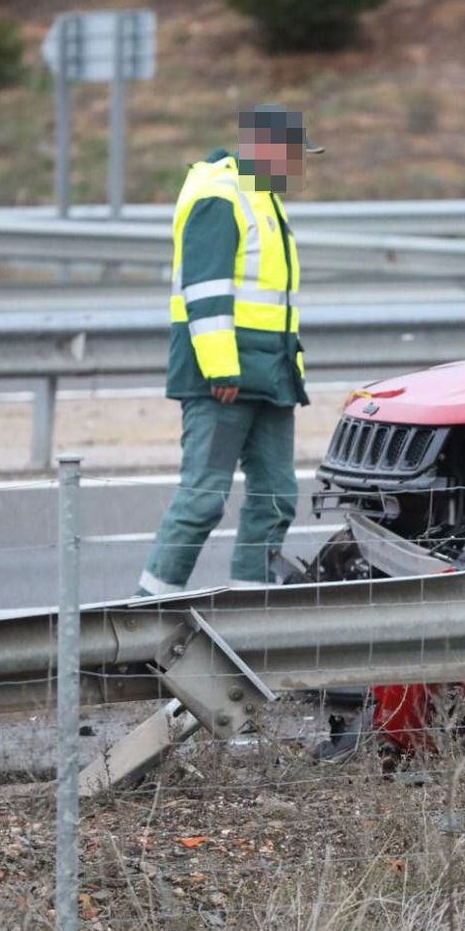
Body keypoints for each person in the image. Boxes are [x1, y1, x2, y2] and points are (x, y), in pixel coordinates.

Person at [136, 105, 323, 596]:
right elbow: (206, 290)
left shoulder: (263, 198)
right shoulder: (221, 196)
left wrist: (288, 370)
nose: (299, 167)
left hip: (271, 376)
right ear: (267, 151)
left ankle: (250, 604)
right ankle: (144, 612)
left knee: (277, 496)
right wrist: (221, 367)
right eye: (294, 156)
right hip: (225, 378)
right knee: (202, 499)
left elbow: (269, 303)